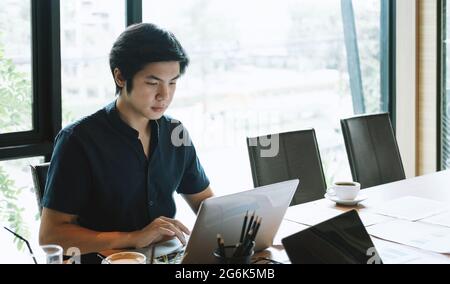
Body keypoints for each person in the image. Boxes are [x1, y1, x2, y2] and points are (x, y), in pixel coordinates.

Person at [39, 23, 214, 255]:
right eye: (152, 83)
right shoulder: (78, 140)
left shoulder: (175, 132)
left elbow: (207, 205)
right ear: (120, 77)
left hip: (166, 258)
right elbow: (51, 235)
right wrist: (133, 238)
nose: (165, 95)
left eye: (172, 82)